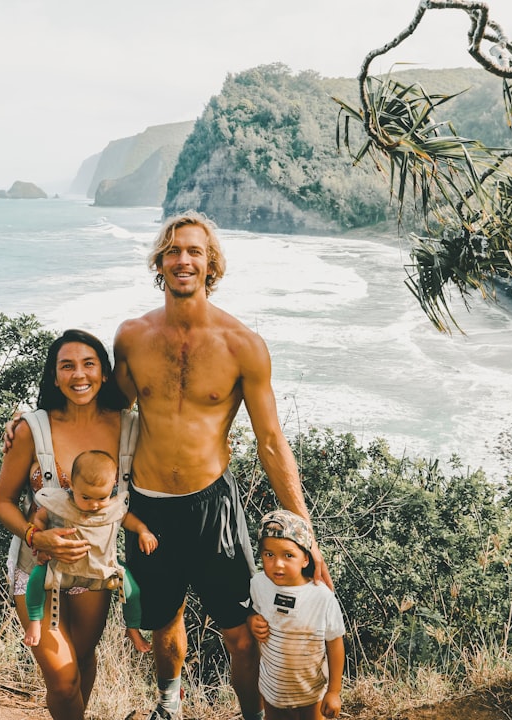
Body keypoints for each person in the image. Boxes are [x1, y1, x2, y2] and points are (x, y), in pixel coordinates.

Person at [113, 210, 333, 720]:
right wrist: (33, 425)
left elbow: (272, 442)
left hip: (212, 508)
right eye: (172, 250)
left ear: (211, 264)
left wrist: (305, 536)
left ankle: (251, 717)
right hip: (148, 508)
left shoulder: (242, 346)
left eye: (194, 251)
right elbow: (102, 411)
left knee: (240, 632)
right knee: (164, 624)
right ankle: (169, 707)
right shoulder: (132, 337)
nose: (182, 259)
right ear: (159, 263)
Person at [0, 329, 140, 720]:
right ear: (54, 376)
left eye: (89, 364)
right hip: (35, 567)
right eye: (67, 366)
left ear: (104, 373)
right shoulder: (32, 429)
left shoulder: (128, 427)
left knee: (83, 659)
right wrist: (36, 534)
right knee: (61, 678)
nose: (80, 374)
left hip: (93, 571)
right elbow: (3, 502)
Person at [22, 449, 157, 652]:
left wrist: (143, 531)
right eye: (85, 497)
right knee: (36, 577)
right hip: (62, 568)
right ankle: (34, 620)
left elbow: (126, 519)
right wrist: (40, 541)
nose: (94, 505)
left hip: (103, 568)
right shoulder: (60, 503)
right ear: (72, 486)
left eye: (101, 498)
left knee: (133, 591)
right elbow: (40, 517)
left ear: (112, 487)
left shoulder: (113, 506)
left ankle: (133, 628)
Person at [248, 510, 344, 720]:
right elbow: (253, 611)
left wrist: (334, 691)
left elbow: (335, 643)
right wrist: (252, 620)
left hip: (311, 691)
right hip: (272, 689)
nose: (277, 563)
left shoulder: (322, 597)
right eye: (269, 554)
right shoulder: (259, 584)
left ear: (305, 559)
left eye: (288, 555)